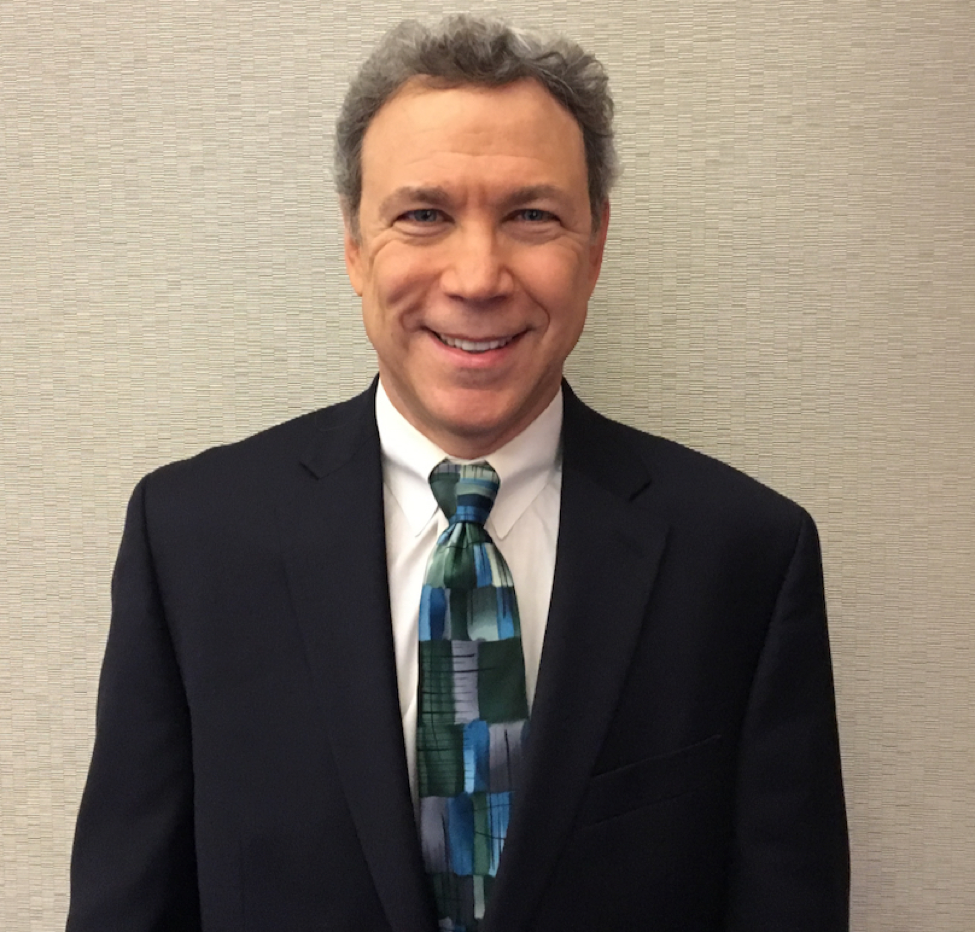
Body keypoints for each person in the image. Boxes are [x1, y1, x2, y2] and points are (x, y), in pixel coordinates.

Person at [66, 15, 849, 932]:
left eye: (531, 216)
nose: (477, 277)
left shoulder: (744, 558)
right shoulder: (191, 539)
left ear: (596, 244)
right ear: (354, 245)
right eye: (423, 215)